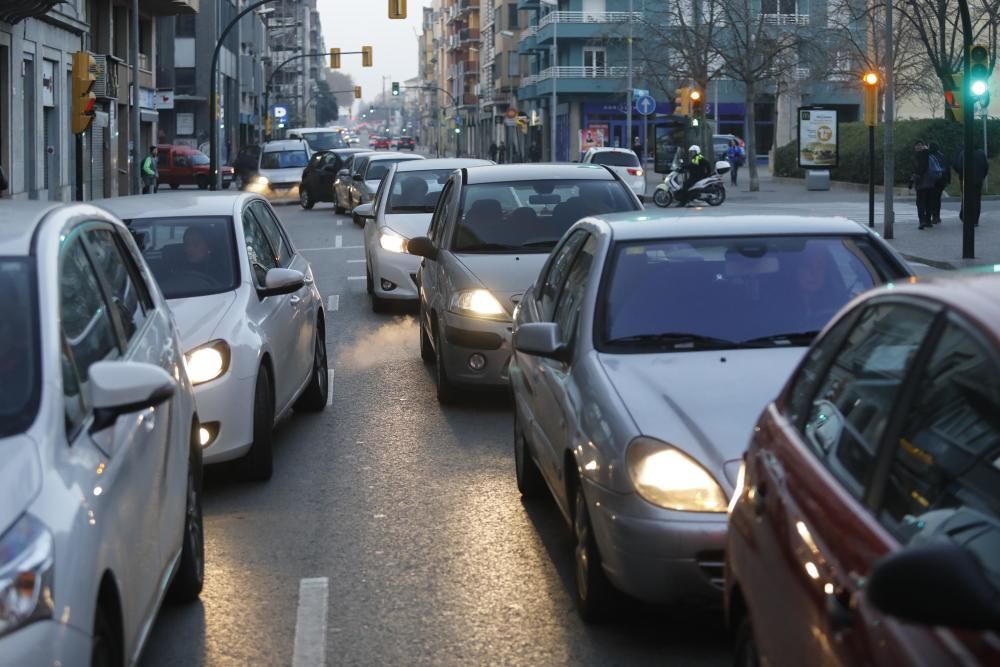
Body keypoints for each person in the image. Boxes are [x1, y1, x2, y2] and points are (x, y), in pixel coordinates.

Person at [954, 146, 989, 227]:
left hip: (966, 180)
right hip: (978, 180)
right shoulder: (981, 153)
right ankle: (975, 220)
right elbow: (986, 166)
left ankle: (965, 217)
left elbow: (958, 166)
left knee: (966, 198)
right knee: (977, 199)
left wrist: (961, 176)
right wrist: (982, 176)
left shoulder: (963, 153)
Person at [909, 140, 934, 229]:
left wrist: (911, 181)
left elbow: (916, 170)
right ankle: (927, 221)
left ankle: (922, 221)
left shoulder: (917, 156)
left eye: (919, 145)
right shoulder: (930, 154)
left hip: (921, 183)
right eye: (917, 145)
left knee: (920, 203)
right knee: (928, 202)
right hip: (930, 183)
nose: (918, 147)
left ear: (923, 146)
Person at [926, 142, 949, 225]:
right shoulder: (942, 156)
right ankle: (937, 216)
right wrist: (947, 180)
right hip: (941, 180)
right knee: (937, 199)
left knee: (931, 199)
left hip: (932, 180)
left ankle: (934, 216)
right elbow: (947, 167)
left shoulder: (929, 156)